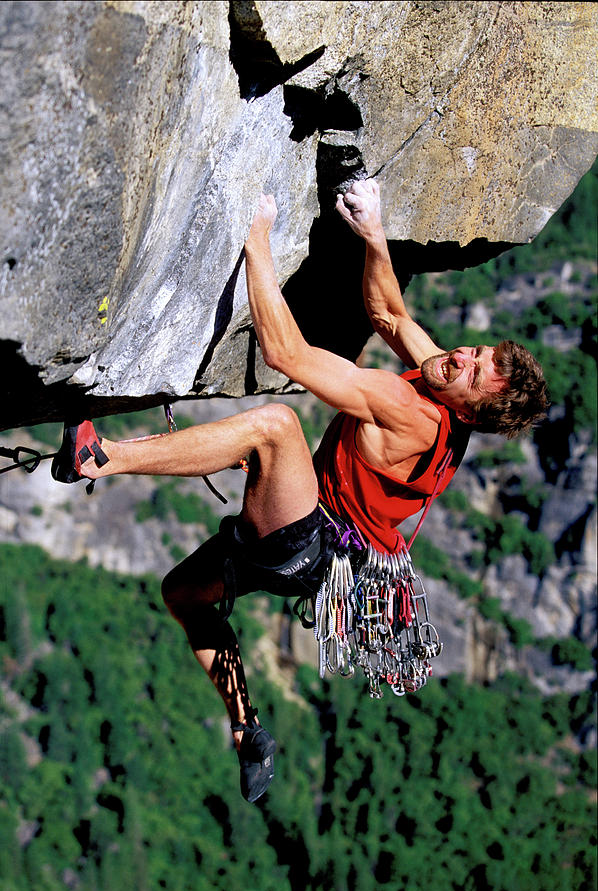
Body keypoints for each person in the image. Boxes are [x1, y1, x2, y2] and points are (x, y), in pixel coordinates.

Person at [52, 179, 548, 802]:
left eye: (475, 371)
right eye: (476, 352)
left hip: (308, 542)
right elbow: (390, 313)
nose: (461, 359)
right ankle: (247, 730)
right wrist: (374, 232)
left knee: (275, 426)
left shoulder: (411, 408)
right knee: (182, 595)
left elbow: (285, 352)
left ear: (477, 409)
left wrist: (256, 240)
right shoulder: (446, 390)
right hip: (319, 547)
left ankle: (99, 458)